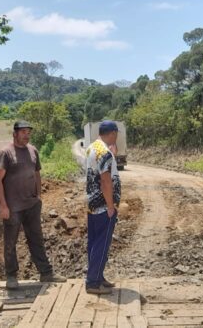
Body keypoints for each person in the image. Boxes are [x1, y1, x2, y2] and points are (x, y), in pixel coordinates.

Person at [0, 120, 66, 289]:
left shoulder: (33, 151)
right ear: (15, 134)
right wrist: (3, 206)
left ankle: (46, 273)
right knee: (10, 242)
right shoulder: (5, 153)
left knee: (36, 239)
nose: (27, 135)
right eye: (23, 132)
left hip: (32, 205)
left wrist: (39, 195)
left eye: (28, 132)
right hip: (13, 208)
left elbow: (36, 174)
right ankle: (11, 276)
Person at [83, 120, 122, 295]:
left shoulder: (93, 148)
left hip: (92, 204)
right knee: (102, 243)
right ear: (113, 133)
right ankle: (93, 282)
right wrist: (110, 205)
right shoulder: (104, 152)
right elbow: (106, 180)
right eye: (116, 134)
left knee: (94, 242)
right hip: (103, 206)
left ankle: (97, 276)